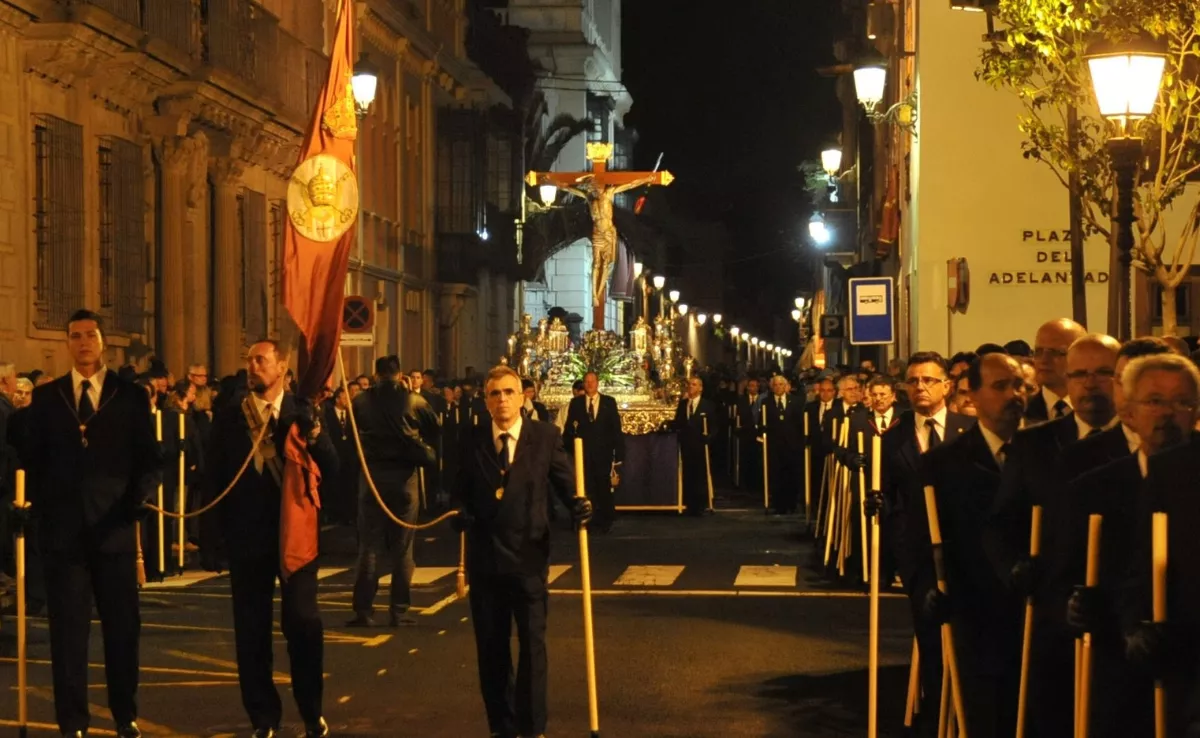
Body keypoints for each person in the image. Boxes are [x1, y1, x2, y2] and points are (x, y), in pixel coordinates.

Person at [17, 309, 162, 738]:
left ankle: (125, 715)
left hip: (114, 530)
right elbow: (31, 460)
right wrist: (29, 505)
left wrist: (138, 499)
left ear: (103, 343)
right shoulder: (48, 398)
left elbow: (149, 459)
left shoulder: (128, 395)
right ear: (67, 343)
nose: (83, 343)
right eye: (76, 335)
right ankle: (73, 721)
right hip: (64, 536)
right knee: (68, 634)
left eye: (91, 335)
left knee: (122, 630)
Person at [985, 334, 1121, 737]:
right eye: (1079, 375)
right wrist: (1015, 568)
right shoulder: (1034, 444)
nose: (1090, 384)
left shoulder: (1142, 444)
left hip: (1121, 617)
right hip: (1051, 612)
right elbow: (1000, 524)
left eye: (1103, 373)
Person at [452, 365, 592, 738]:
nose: (502, 400)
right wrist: (459, 513)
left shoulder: (544, 437)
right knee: (492, 649)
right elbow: (457, 491)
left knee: (533, 646)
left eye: (509, 392)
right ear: (486, 401)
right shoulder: (471, 439)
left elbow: (565, 484)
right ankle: (502, 726)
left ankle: (532, 727)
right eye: (494, 394)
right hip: (486, 560)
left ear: (522, 396)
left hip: (528, 557)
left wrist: (579, 504)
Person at [207, 341, 338, 738]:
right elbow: (215, 476)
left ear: (282, 367)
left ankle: (311, 709)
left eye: (260, 360)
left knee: (303, 622)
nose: (253, 366)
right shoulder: (230, 417)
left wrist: (315, 435)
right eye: (249, 360)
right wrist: (213, 538)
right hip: (247, 536)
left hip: (295, 535)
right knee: (251, 631)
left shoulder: (304, 411)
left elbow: (334, 468)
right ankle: (263, 717)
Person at [911, 353, 1026, 738]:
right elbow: (924, 538)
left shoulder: (1046, 452)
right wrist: (930, 587)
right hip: (975, 609)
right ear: (972, 395)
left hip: (1034, 610)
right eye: (1000, 386)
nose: (1014, 395)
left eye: (1019, 386)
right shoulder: (945, 462)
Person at [883, 352, 975, 733]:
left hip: (967, 555)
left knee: (971, 641)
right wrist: (903, 557)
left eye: (929, 380)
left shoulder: (968, 429)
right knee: (931, 640)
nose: (920, 387)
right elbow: (891, 500)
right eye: (913, 381)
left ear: (946, 386)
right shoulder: (894, 437)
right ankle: (938, 719)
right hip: (920, 557)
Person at [1115, 353, 1200, 737]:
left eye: (1182, 402)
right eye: (1156, 401)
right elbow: (1144, 563)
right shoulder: (1173, 470)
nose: (1169, 412)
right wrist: (1135, 626)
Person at [346, 356, 437, 628]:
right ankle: (399, 610)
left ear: (376, 375)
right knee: (403, 547)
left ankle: (363, 610)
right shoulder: (413, 400)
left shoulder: (361, 401)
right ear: (400, 374)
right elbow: (435, 427)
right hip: (404, 476)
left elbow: (350, 434)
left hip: (372, 476)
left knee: (369, 547)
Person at [562, 371, 624, 533]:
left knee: (603, 487)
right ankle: (586, 520)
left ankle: (604, 521)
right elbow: (569, 429)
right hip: (583, 454)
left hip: (603, 453)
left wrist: (619, 453)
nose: (590, 384)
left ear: (598, 383)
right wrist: (570, 449)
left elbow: (616, 429)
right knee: (585, 488)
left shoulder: (609, 402)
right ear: (584, 384)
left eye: (592, 381)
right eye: (587, 381)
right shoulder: (576, 403)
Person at [1027, 318, 1087, 423]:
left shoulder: (1098, 410)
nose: (1044, 360)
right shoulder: (1020, 411)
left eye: (1055, 352)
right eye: (1039, 351)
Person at [674, 376, 719, 515]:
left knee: (700, 474)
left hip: (700, 445)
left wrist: (709, 438)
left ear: (700, 388)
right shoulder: (683, 404)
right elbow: (678, 422)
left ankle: (700, 504)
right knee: (688, 474)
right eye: (689, 384)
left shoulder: (708, 405)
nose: (690, 387)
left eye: (694, 384)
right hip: (686, 444)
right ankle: (689, 503)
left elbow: (714, 426)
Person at [761, 374, 805, 515]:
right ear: (771, 387)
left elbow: (800, 422)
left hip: (793, 444)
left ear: (786, 386)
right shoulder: (766, 402)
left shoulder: (796, 401)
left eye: (781, 384)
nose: (778, 387)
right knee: (776, 474)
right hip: (775, 445)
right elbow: (763, 422)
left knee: (792, 474)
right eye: (775, 385)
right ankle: (779, 504)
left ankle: (792, 502)